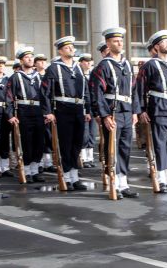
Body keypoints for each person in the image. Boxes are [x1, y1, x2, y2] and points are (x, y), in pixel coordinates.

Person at [89, 27, 138, 198]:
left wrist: (135, 111)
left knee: (125, 147)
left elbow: (134, 90)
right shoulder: (103, 66)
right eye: (116, 41)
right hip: (112, 113)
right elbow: (97, 93)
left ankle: (123, 183)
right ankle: (113, 183)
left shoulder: (127, 65)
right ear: (108, 44)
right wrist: (104, 115)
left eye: (121, 40)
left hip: (127, 111)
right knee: (112, 149)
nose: (120, 43)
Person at [136, 30, 167, 190]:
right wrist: (141, 110)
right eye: (164, 42)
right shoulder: (150, 65)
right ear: (157, 47)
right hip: (158, 109)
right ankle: (161, 178)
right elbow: (140, 89)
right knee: (159, 145)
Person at [43, 36, 89, 190]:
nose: (71, 49)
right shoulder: (54, 68)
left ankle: (75, 177)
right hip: (63, 109)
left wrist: (88, 110)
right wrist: (48, 112)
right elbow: (45, 91)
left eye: (72, 47)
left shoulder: (78, 67)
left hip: (78, 109)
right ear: (60, 51)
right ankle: (66, 177)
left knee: (77, 144)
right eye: (67, 47)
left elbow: (86, 91)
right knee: (66, 144)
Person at [6, 46, 48, 183]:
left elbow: (46, 96)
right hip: (23, 111)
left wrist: (47, 112)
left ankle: (35, 170)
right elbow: (9, 97)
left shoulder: (40, 77)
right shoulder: (15, 77)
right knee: (26, 141)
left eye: (31, 57)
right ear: (21, 60)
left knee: (39, 141)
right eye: (26, 57)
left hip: (38, 111)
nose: (30, 59)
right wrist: (10, 114)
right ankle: (27, 170)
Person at [79, 53, 97, 168]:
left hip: (92, 108)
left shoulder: (93, 75)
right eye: (85, 61)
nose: (88, 63)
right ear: (81, 62)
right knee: (84, 134)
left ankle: (90, 158)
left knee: (92, 133)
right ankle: (83, 158)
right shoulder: (78, 75)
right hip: (83, 108)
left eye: (90, 61)